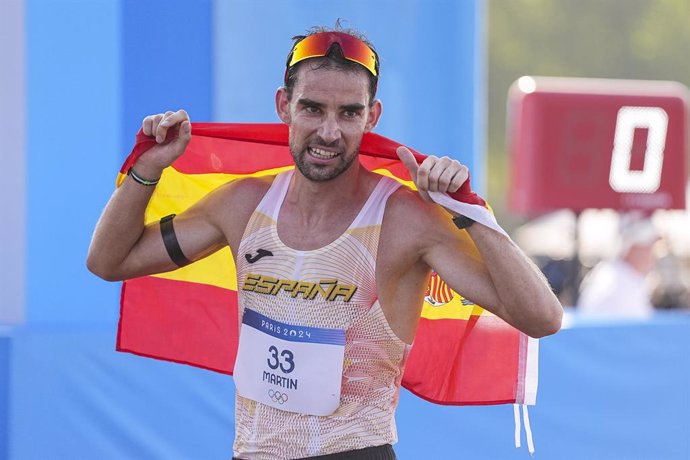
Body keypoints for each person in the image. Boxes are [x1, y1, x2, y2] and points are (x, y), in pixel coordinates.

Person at [87, 26, 562, 460]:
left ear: (371, 116)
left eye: (349, 113)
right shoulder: (243, 204)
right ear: (283, 106)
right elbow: (109, 262)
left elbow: (541, 318)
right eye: (312, 108)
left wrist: (472, 215)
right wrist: (147, 169)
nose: (329, 132)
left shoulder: (405, 219)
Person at [578, 212, 660, 318]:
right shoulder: (616, 282)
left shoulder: (619, 275)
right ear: (631, 249)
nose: (653, 254)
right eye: (647, 247)